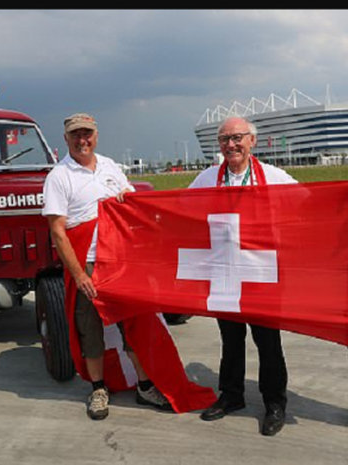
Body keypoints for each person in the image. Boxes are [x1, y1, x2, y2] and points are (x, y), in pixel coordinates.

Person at [42, 113, 172, 420]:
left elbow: (131, 202)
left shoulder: (111, 167)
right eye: (75, 135)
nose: (81, 139)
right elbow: (58, 232)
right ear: (66, 139)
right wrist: (77, 275)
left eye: (87, 133)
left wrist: (128, 198)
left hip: (119, 261)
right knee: (90, 329)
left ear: (96, 136)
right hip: (86, 263)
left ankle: (144, 386)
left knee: (132, 323)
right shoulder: (59, 177)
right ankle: (98, 390)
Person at [189, 117, 297, 436]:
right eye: (224, 139)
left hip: (261, 272)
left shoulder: (275, 177)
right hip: (225, 272)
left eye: (237, 138)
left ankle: (275, 402)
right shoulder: (208, 178)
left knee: (268, 342)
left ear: (252, 141)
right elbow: (179, 208)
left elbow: (307, 205)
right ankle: (231, 395)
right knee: (231, 340)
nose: (231, 145)